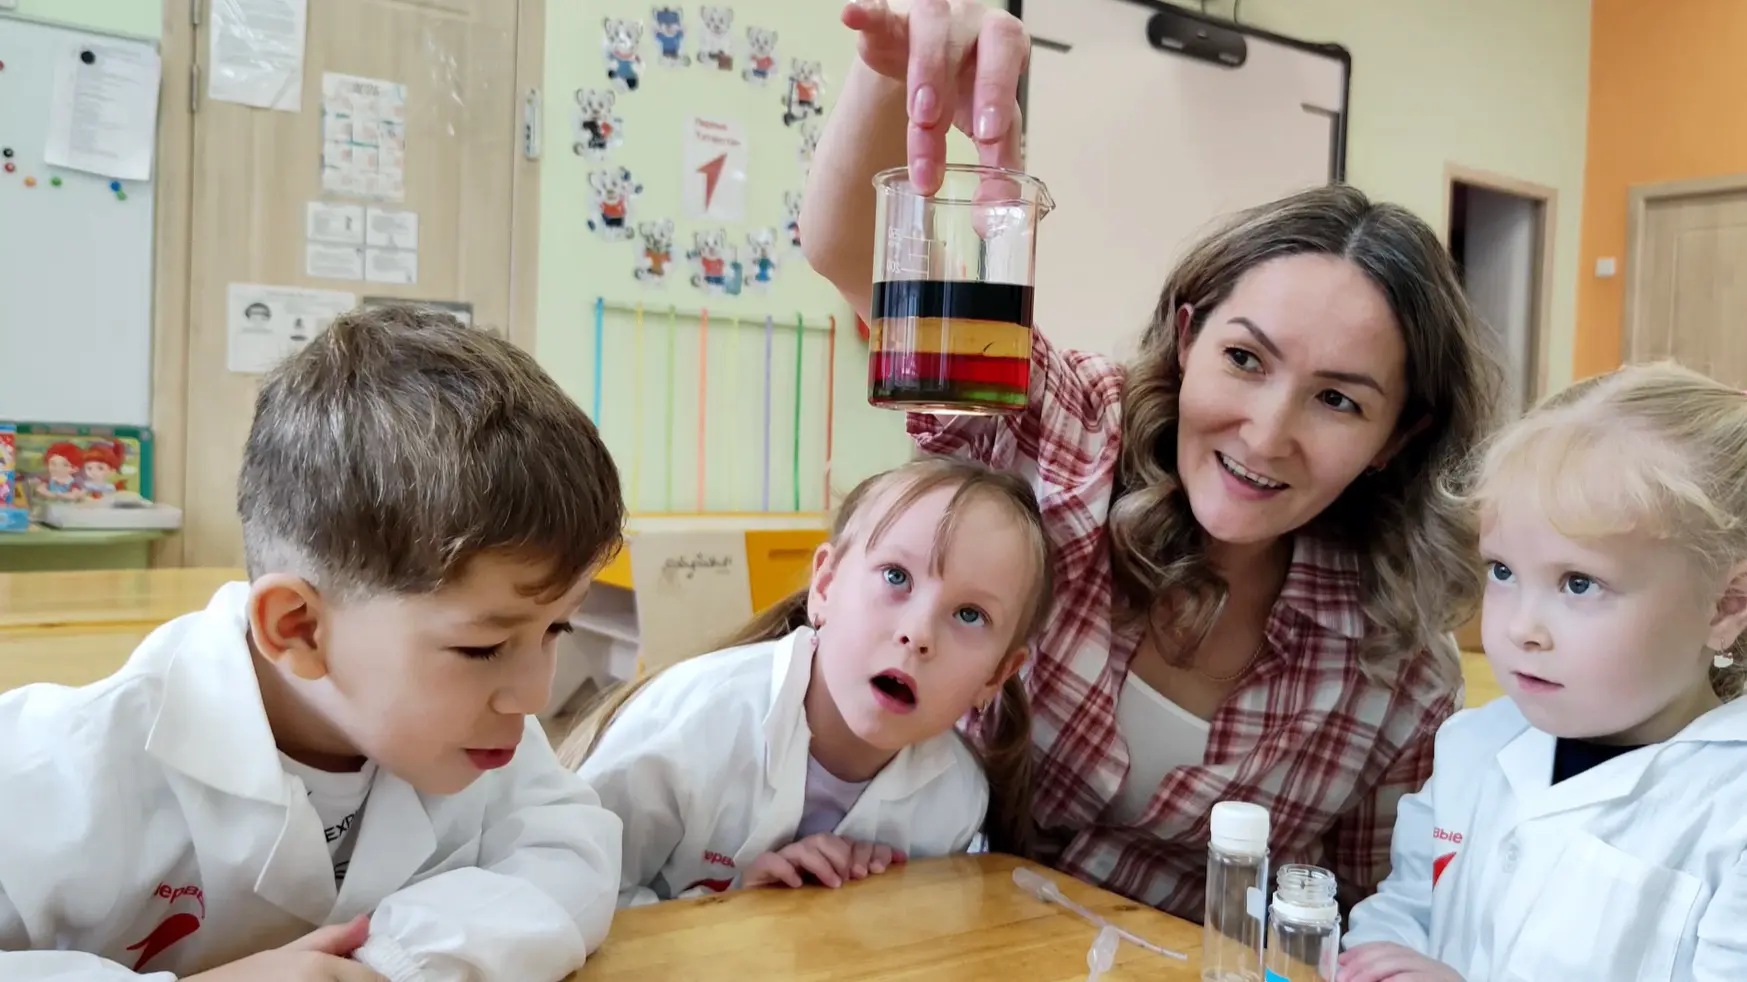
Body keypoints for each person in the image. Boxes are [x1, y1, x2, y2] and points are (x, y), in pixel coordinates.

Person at [799, 0, 1503, 918]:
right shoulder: (1070, 431)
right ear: (1185, 337)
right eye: (1243, 359)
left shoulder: (1397, 666)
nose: (1264, 433)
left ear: (1396, 438)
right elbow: (850, 253)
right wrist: (898, 71)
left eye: (1337, 400)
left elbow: (1372, 916)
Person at [0, 306, 628, 981]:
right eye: (483, 649)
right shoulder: (54, 772)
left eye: (557, 628)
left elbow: (571, 857)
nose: (534, 695)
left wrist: (389, 965)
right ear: (298, 628)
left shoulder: (483, 734)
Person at [1342, 363, 1747, 982]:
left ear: (1725, 606)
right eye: (1503, 571)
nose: (1520, 628)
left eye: (1579, 583)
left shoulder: (1730, 811)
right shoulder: (1473, 748)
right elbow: (1406, 910)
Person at [558, 457, 1051, 906]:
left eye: (969, 614)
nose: (918, 634)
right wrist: (733, 909)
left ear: (997, 675)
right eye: (896, 576)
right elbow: (566, 899)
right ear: (825, 586)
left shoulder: (956, 799)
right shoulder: (691, 727)